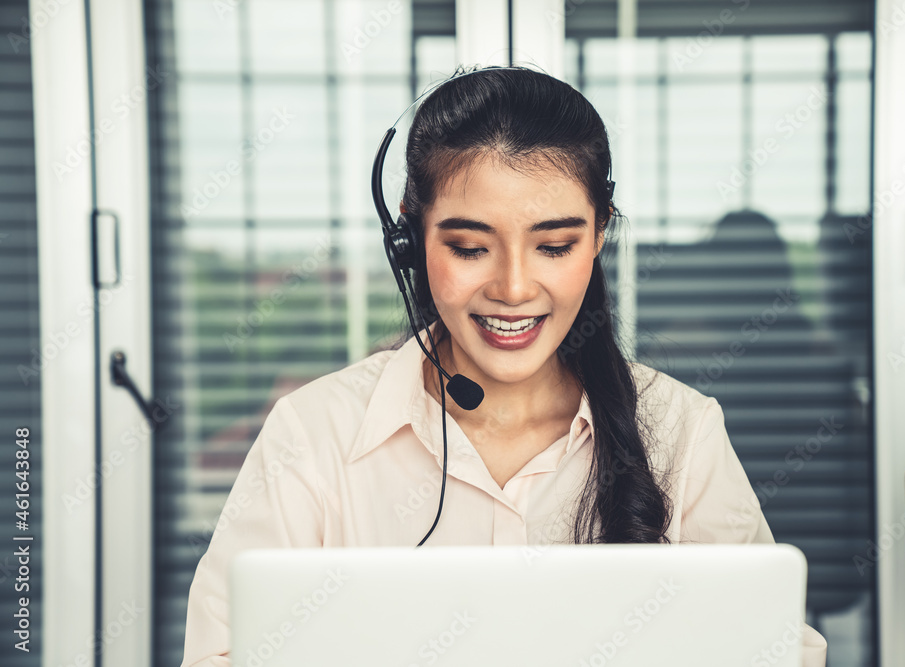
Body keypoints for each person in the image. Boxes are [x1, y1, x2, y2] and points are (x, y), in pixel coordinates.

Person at [179, 64, 828, 666]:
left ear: (599, 235)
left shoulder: (682, 431)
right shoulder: (313, 436)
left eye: (554, 245)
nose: (514, 288)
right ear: (410, 238)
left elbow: (773, 647)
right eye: (468, 246)